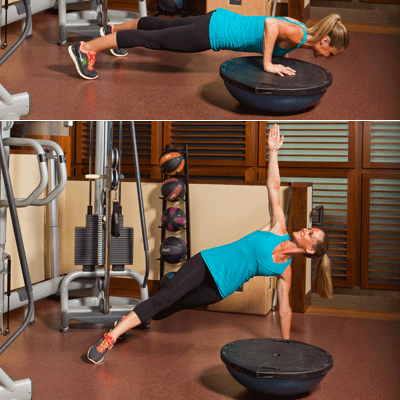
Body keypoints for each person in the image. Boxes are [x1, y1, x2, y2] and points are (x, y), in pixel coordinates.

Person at [87, 124, 333, 364]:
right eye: (310, 229)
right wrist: (274, 152)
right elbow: (273, 186)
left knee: (170, 307)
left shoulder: (285, 271)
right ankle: (111, 337)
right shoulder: (278, 227)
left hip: (218, 290)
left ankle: (135, 318)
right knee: (165, 298)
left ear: (310, 250)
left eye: (310, 233)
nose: (305, 229)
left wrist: (286, 344)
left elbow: (285, 310)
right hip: (207, 262)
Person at [69, 8, 349, 80]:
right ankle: (86, 49)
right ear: (325, 41)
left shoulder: (301, 27)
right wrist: (267, 63)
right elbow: (270, 25)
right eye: (332, 53)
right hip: (214, 35)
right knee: (153, 40)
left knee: (162, 26)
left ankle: (114, 30)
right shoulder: (299, 36)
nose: (328, 57)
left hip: (219, 19)